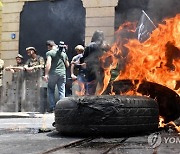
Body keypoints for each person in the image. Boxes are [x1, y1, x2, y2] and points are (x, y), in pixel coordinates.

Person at [44, 40, 69, 112]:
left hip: (53, 73)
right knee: (61, 90)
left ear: (49, 46)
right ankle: (62, 108)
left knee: (51, 90)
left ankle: (52, 107)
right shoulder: (63, 53)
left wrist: (46, 74)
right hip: (62, 74)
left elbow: (48, 64)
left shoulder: (50, 53)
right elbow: (67, 64)